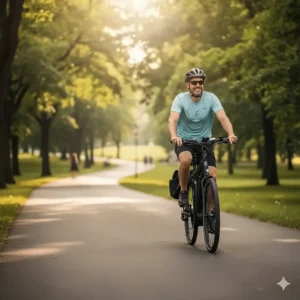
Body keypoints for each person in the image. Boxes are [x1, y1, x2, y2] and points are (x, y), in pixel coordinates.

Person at [168, 68, 238, 207]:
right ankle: (183, 191)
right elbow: (172, 120)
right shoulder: (180, 99)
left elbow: (223, 118)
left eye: (201, 82)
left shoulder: (211, 98)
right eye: (194, 82)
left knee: (212, 176)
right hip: (184, 141)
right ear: (187, 84)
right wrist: (174, 136)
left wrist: (230, 133)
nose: (198, 85)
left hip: (205, 142)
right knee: (186, 161)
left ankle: (210, 212)